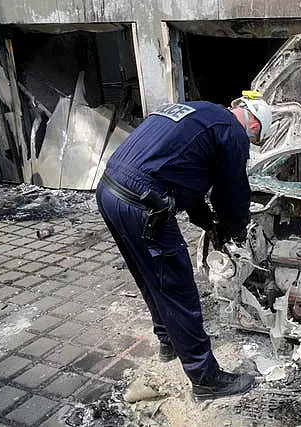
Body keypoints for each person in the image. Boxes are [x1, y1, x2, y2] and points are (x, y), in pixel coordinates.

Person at [95, 91, 272, 401]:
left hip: (110, 190)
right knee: (178, 289)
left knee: (150, 278)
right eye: (255, 139)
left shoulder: (198, 112)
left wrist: (209, 225)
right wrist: (235, 229)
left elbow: (189, 182)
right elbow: (231, 192)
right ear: (254, 123)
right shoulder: (232, 132)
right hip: (143, 204)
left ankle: (168, 341)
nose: (250, 144)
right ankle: (206, 379)